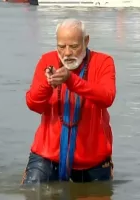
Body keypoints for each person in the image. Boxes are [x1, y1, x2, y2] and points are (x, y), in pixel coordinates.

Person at [21, 18, 116, 185]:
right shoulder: (46, 60)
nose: (66, 53)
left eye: (73, 46)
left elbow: (107, 97)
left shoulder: (103, 62)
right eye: (61, 46)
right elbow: (33, 104)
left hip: (92, 159)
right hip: (47, 156)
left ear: (86, 41)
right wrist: (48, 83)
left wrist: (71, 81)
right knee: (31, 194)